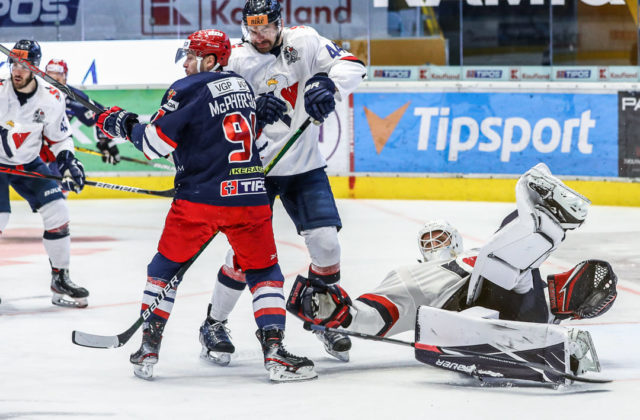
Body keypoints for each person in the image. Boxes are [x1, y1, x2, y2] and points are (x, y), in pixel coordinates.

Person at [95, 29, 316, 382]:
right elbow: (238, 134)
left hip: (199, 202)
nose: (186, 63)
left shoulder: (186, 89)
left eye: (192, 55)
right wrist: (134, 125)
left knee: (164, 268)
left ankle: (149, 346)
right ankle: (275, 353)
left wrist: (123, 125)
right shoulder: (243, 87)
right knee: (263, 272)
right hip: (250, 197)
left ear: (211, 59)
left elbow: (155, 145)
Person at [288, 164, 618, 384]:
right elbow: (378, 314)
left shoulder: (481, 257)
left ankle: (544, 228)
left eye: (441, 237)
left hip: (519, 308)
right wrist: (342, 315)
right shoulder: (413, 276)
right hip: (465, 309)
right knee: (509, 232)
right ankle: (543, 213)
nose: (434, 244)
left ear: (457, 241)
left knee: (593, 276)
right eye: (428, 240)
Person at [199, 0, 367, 365]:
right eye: (252, 28)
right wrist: (250, 110)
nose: (259, 36)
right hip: (252, 171)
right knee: (245, 257)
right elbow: (213, 115)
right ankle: (214, 323)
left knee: (327, 246)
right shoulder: (236, 60)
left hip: (304, 167)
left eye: (266, 28)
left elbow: (354, 66)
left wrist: (327, 84)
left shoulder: (304, 42)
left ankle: (321, 316)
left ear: (280, 24)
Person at [0, 40, 89, 308]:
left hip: (28, 163)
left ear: (35, 68)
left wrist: (69, 162)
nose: (17, 69)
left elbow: (60, 139)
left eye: (24, 65)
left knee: (59, 213)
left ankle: (60, 277)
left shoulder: (52, 97)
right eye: (14, 62)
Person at [44, 59, 121, 166]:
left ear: (65, 77)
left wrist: (105, 141)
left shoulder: (75, 98)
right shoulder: (33, 91)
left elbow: (100, 113)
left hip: (53, 149)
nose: (52, 80)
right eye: (49, 76)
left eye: (57, 76)